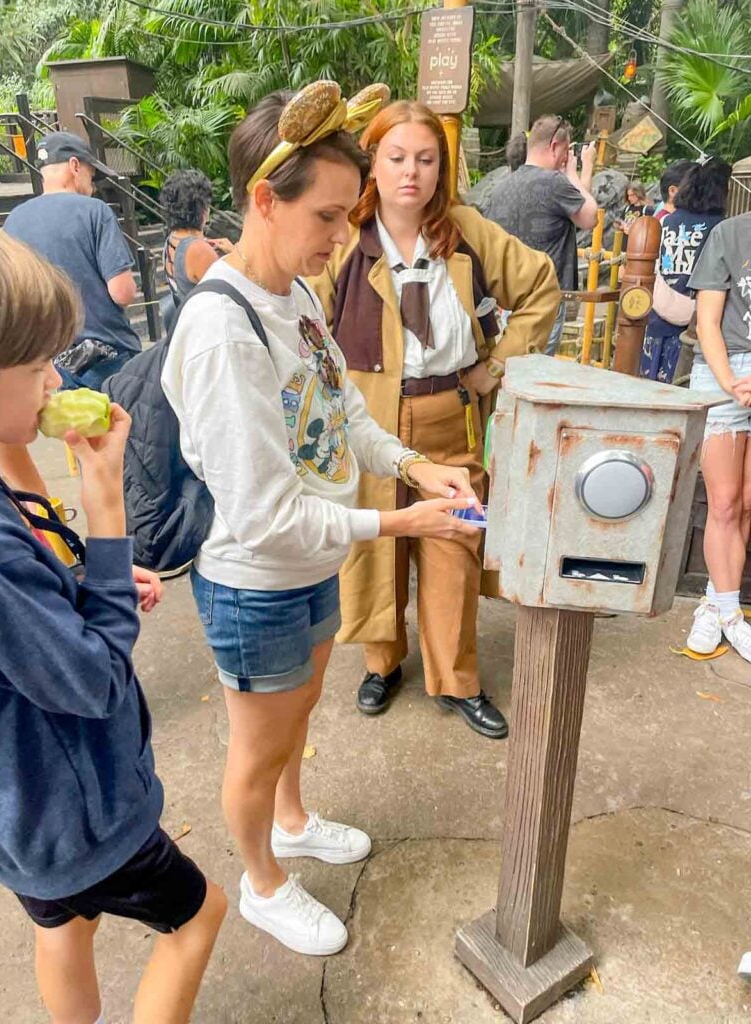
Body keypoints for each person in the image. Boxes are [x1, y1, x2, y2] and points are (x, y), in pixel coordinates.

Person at [161, 82, 484, 958]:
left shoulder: (299, 299)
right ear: (264, 200)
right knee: (256, 748)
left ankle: (293, 823)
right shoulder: (224, 331)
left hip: (313, 564)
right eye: (330, 216)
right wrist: (404, 526)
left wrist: (416, 465)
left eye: (350, 216)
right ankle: (262, 882)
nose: (343, 237)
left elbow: (343, 416)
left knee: (299, 712)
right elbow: (265, 517)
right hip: (256, 578)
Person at [0, 223, 226, 1023]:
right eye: (33, 367)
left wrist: (97, 578)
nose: (53, 380)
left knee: (66, 921)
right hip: (76, 812)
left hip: (17, 815)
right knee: (197, 920)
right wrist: (110, 511)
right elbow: (91, 678)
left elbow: (27, 625)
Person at [310, 99, 560, 735]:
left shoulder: (465, 231)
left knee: (453, 544)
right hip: (368, 422)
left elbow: (540, 288)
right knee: (373, 545)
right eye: (396, 158)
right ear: (372, 162)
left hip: (448, 414)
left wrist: (494, 365)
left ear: (441, 168)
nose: (410, 173)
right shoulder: (344, 240)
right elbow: (305, 319)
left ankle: (455, 678)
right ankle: (381, 661)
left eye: (425, 159)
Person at [3, 131, 141, 390]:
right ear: (75, 166)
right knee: (124, 427)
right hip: (107, 357)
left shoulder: (14, 221)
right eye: (91, 174)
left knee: (74, 430)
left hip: (50, 361)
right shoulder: (94, 211)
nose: (93, 184)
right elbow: (122, 292)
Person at [684, 210, 751, 662]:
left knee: (747, 502)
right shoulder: (730, 234)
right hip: (723, 372)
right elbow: (707, 321)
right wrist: (731, 382)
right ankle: (729, 615)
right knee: (723, 501)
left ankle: (717, 601)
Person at [476, 114, 598, 354]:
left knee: (510, 361)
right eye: (566, 150)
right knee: (535, 365)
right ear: (554, 147)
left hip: (510, 295)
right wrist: (578, 169)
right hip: (545, 295)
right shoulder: (554, 182)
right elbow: (589, 217)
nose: (566, 157)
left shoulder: (501, 186)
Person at [640, 159, 730, 383]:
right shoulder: (721, 227)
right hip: (696, 325)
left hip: (658, 316)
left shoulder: (667, 221)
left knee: (652, 385)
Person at [159, 169, 234, 331]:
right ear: (202, 208)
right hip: (208, 331)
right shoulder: (198, 249)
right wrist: (234, 254)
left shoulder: (171, 240)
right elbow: (233, 292)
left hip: (189, 327)